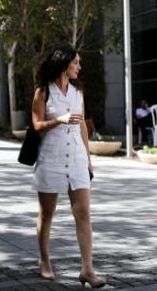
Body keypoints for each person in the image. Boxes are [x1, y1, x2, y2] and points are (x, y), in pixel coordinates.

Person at [31, 45, 105, 288]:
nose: (79, 67)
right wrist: (58, 120)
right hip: (50, 159)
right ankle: (44, 260)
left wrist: (89, 158)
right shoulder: (43, 92)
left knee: (83, 213)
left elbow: (82, 125)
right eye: (76, 63)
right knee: (47, 213)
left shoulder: (77, 92)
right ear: (64, 65)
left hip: (77, 160)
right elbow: (36, 126)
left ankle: (87, 269)